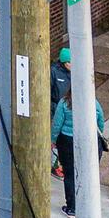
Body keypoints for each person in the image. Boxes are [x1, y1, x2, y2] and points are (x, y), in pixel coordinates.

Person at [51, 91, 104, 214]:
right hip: (90, 141)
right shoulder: (94, 103)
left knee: (69, 175)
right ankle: (88, 205)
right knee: (88, 174)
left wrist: (53, 140)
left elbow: (57, 124)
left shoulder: (64, 103)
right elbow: (100, 122)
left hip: (68, 141)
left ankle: (72, 208)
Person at [50, 48, 72, 176]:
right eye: (70, 62)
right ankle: (55, 165)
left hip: (68, 109)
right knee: (55, 138)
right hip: (56, 110)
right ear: (64, 62)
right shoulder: (54, 72)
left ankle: (62, 163)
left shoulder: (73, 73)